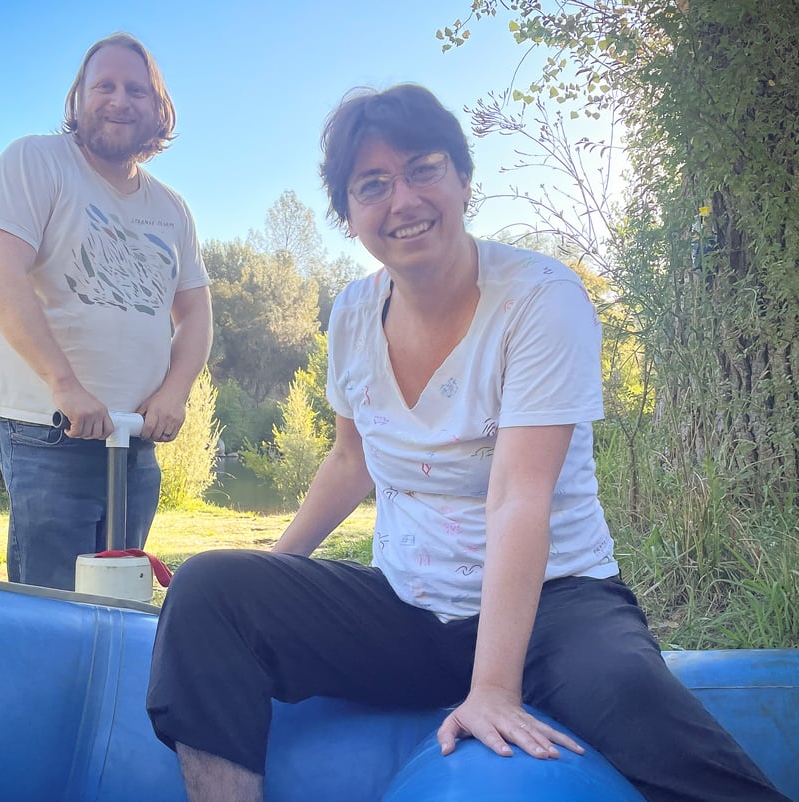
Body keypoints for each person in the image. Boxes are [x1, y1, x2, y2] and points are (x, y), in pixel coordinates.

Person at [146, 85, 789, 802]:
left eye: (424, 169)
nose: (403, 200)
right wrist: (268, 577)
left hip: (555, 608)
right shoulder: (354, 313)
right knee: (209, 589)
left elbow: (519, 495)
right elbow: (350, 457)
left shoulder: (540, 298)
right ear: (348, 213)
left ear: (462, 180)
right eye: (373, 185)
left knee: (643, 709)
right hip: (406, 606)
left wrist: (492, 689)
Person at [0, 33, 212, 591]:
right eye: (104, 85)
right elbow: (0, 275)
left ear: (158, 110)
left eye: (137, 90)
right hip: (51, 430)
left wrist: (174, 393)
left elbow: (196, 313)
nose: (119, 100)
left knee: (121, 598)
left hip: (137, 439)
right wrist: (66, 384)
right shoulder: (35, 161)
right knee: (50, 605)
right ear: (78, 98)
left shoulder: (172, 208)